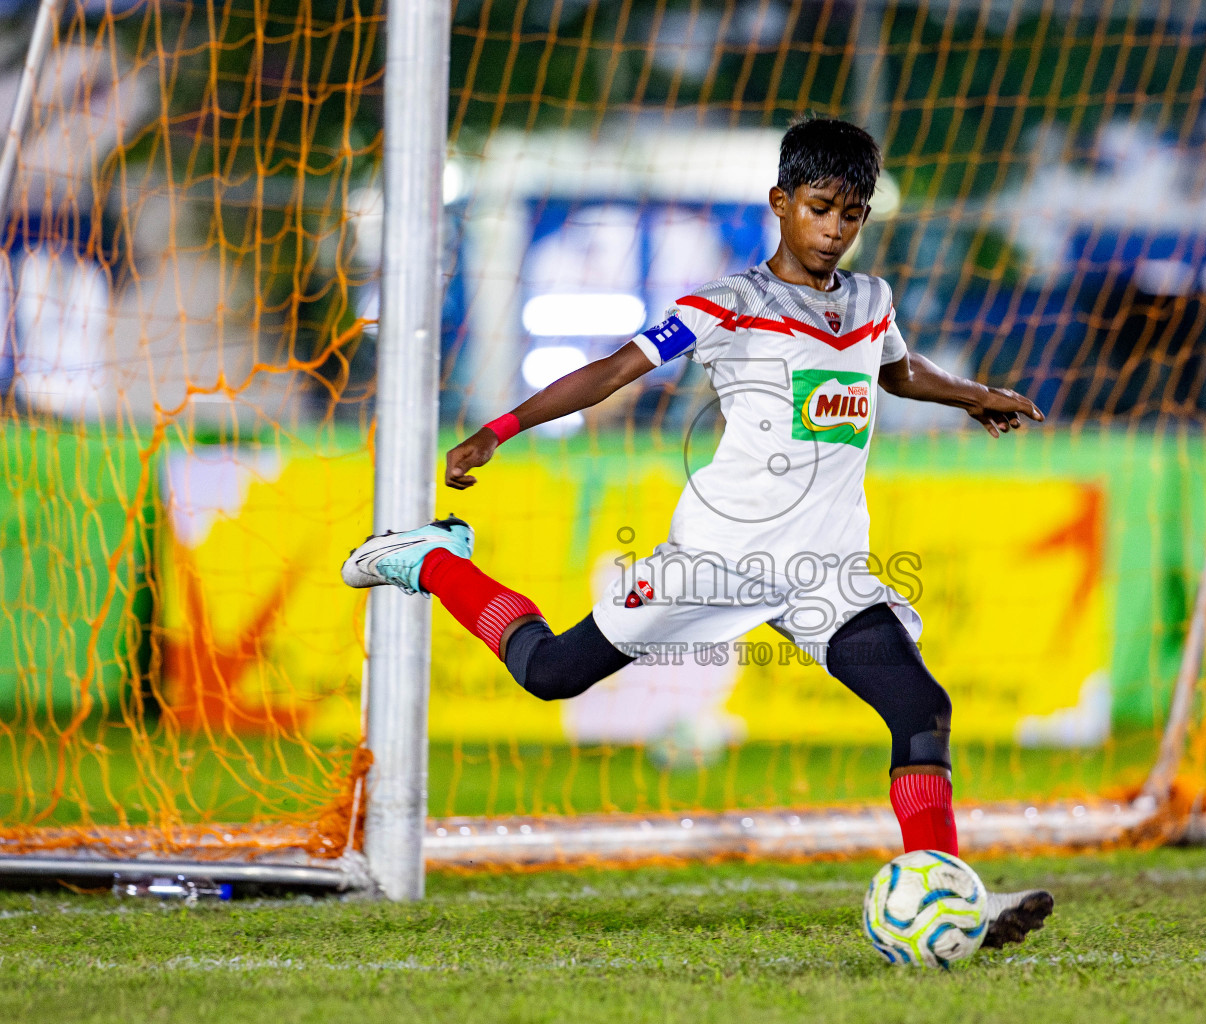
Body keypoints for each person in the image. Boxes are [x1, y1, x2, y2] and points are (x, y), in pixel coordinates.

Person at [343, 117, 1052, 945]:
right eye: (820, 208)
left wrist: (977, 394)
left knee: (922, 706)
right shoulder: (726, 306)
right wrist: (497, 430)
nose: (834, 229)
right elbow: (614, 368)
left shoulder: (870, 300)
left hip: (823, 573)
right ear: (781, 203)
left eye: (851, 214)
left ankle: (948, 892)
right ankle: (434, 561)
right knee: (550, 671)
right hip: (715, 560)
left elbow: (896, 370)